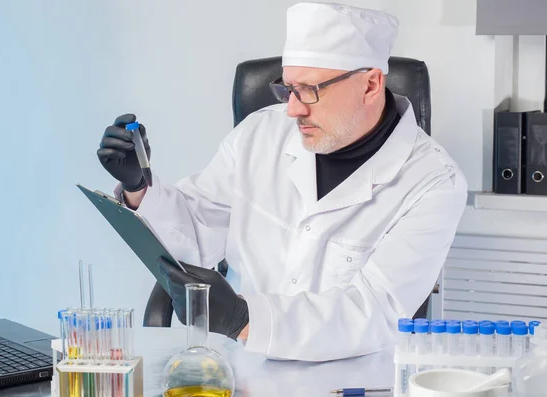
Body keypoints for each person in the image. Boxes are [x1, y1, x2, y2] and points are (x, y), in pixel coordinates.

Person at [96, 2, 467, 362]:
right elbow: (195, 236)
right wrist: (137, 186)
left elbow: (375, 312)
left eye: (310, 90)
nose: (293, 109)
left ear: (370, 84)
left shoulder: (433, 182)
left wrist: (245, 319)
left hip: (349, 378)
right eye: (288, 88)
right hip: (242, 365)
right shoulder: (260, 135)